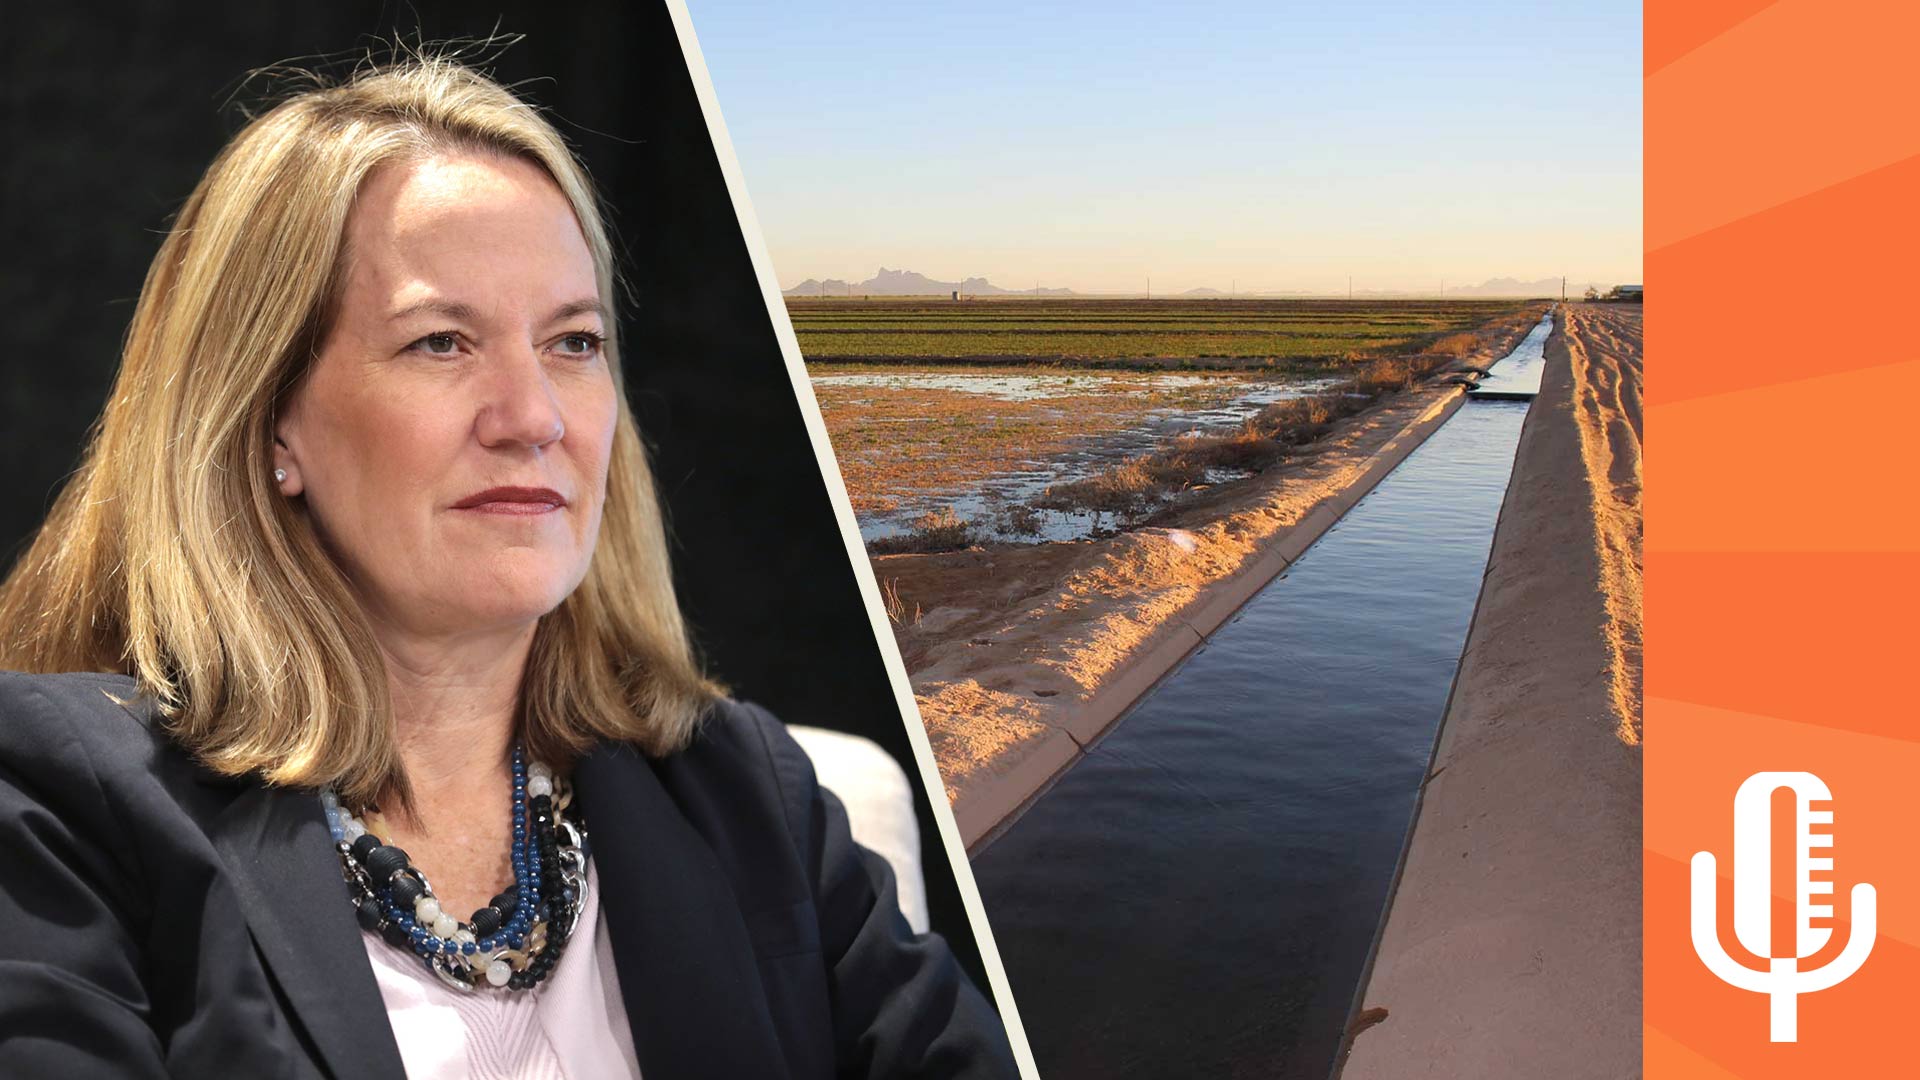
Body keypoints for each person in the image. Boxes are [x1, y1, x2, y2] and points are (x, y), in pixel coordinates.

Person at [0, 54, 1016, 1079]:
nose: (533, 418)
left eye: (574, 342)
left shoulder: (740, 790)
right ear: (269, 417)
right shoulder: (65, 808)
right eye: (442, 343)